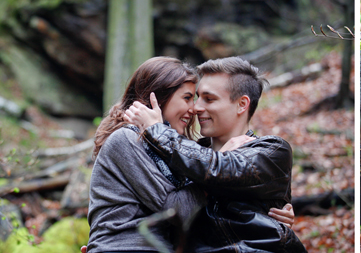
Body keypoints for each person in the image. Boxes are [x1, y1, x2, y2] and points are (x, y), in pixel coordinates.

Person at [86, 57, 294, 253]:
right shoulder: (179, 154)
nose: (196, 108)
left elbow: (220, 169)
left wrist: (273, 222)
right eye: (192, 98)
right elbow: (177, 211)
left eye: (208, 99)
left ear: (242, 104)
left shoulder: (270, 150)